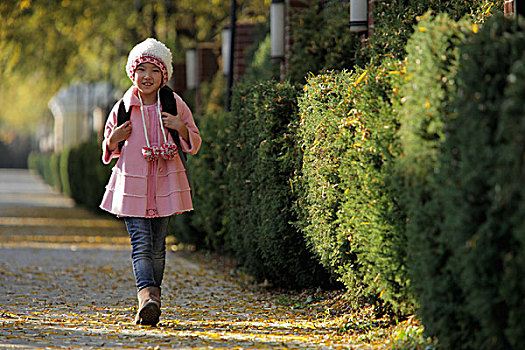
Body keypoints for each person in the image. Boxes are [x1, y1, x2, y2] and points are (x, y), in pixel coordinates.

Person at [100, 38, 201, 326]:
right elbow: (108, 149)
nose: (147, 76)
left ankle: (154, 298)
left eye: (154, 71)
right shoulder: (123, 106)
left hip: (164, 186)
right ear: (133, 73)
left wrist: (180, 127)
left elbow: (194, 142)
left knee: (158, 246)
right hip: (133, 188)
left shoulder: (174, 103)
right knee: (141, 243)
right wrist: (113, 139)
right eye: (141, 69)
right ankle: (146, 297)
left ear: (163, 75)